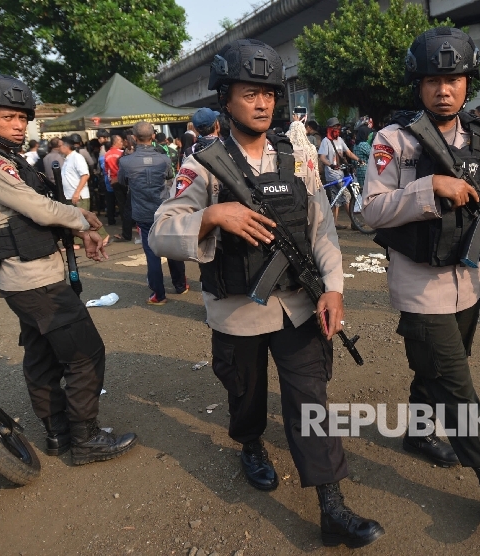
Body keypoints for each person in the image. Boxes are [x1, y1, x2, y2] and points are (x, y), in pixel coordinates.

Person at [149, 38, 383, 549]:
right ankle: (250, 443)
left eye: (269, 94)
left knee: (310, 398)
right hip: (238, 311)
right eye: (250, 93)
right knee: (246, 392)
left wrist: (336, 289)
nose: (262, 103)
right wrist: (212, 215)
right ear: (226, 97)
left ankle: (332, 505)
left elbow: (322, 230)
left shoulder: (297, 158)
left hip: (298, 303)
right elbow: (159, 232)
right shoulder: (205, 164)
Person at [362, 27, 480, 538]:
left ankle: (419, 435)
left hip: (470, 284)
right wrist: (428, 187)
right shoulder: (392, 141)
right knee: (457, 388)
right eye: (434, 80)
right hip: (420, 288)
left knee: (438, 372)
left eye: (455, 79)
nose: (445, 89)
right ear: (418, 85)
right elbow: (369, 210)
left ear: (467, 84)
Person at [0, 73, 137, 465]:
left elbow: (29, 223)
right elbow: (39, 209)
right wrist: (84, 219)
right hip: (37, 282)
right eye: (8, 117)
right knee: (85, 353)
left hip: (28, 277)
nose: (19, 125)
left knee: (42, 357)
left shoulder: (5, 160)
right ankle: (85, 438)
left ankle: (57, 433)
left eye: (23, 117)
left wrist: (73, 231)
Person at [118, 121, 188, 305]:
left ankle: (159, 294)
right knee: (172, 248)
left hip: (143, 212)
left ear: (133, 138)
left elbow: (122, 182)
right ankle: (180, 285)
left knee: (152, 253)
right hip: (164, 209)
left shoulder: (125, 161)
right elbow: (169, 177)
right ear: (153, 137)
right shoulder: (163, 158)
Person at [319, 117, 360, 228]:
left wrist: (359, 160)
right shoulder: (325, 141)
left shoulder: (340, 140)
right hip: (332, 174)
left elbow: (349, 153)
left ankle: (334, 223)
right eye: (335, 126)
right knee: (346, 196)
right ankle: (354, 223)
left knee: (336, 199)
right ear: (330, 128)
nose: (337, 128)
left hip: (341, 174)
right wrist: (331, 165)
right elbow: (322, 157)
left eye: (338, 126)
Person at [106, 135, 132, 241]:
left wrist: (110, 181)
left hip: (114, 181)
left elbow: (107, 171)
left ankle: (125, 224)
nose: (122, 143)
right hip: (124, 181)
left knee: (121, 204)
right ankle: (130, 224)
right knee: (128, 204)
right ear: (115, 142)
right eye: (120, 141)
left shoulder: (106, 155)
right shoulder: (121, 153)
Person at [58, 136, 91, 209]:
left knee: (81, 219)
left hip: (78, 197)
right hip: (69, 196)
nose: (58, 148)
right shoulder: (67, 159)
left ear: (67, 146)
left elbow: (85, 175)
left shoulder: (77, 157)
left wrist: (77, 192)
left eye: (60, 146)